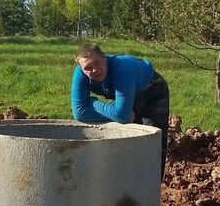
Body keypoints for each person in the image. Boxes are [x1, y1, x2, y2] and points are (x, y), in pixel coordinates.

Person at [71, 43, 169, 178]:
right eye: (88, 68)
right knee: (122, 134)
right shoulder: (80, 73)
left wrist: (93, 103)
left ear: (105, 58)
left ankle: (151, 184)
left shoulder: (122, 68)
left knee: (152, 140)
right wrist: (119, 114)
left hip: (151, 91)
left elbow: (122, 114)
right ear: (81, 69)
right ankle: (123, 180)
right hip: (123, 95)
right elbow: (79, 113)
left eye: (97, 63)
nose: (94, 70)